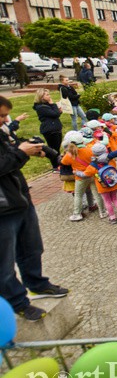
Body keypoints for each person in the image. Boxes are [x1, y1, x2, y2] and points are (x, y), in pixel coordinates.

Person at [0, 95, 69, 321]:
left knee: (31, 248)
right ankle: (17, 302)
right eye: (1, 116)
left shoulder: (2, 133)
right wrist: (21, 152)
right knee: (4, 263)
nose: (4, 120)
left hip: (19, 200)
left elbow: (11, 157)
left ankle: (37, 283)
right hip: (3, 210)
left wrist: (28, 149)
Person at [32, 88, 63, 172]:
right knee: (53, 149)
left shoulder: (47, 105)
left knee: (57, 148)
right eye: (47, 95)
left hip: (56, 127)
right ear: (41, 97)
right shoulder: (41, 107)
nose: (49, 96)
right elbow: (54, 114)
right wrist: (53, 105)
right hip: (50, 130)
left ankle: (59, 164)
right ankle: (55, 166)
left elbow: (56, 114)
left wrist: (58, 110)